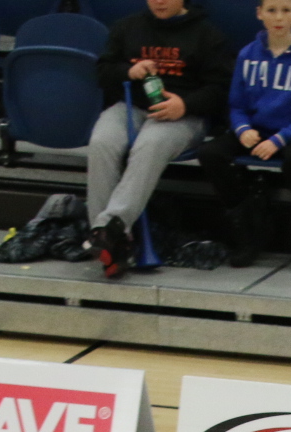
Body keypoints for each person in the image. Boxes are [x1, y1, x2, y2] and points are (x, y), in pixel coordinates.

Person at [87, 0, 232, 278]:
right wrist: (128, 72)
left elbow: (221, 90)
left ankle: (110, 229)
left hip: (185, 114)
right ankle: (108, 239)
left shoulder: (208, 35)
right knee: (102, 141)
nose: (159, 1)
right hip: (132, 108)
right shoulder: (127, 27)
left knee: (150, 144)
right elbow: (102, 72)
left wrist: (185, 105)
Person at [196, 0, 291, 272]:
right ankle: (247, 228)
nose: (278, 17)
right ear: (259, 14)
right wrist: (243, 129)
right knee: (210, 154)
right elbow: (236, 105)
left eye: (285, 10)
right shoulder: (248, 54)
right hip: (257, 129)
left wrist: (278, 140)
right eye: (271, 10)